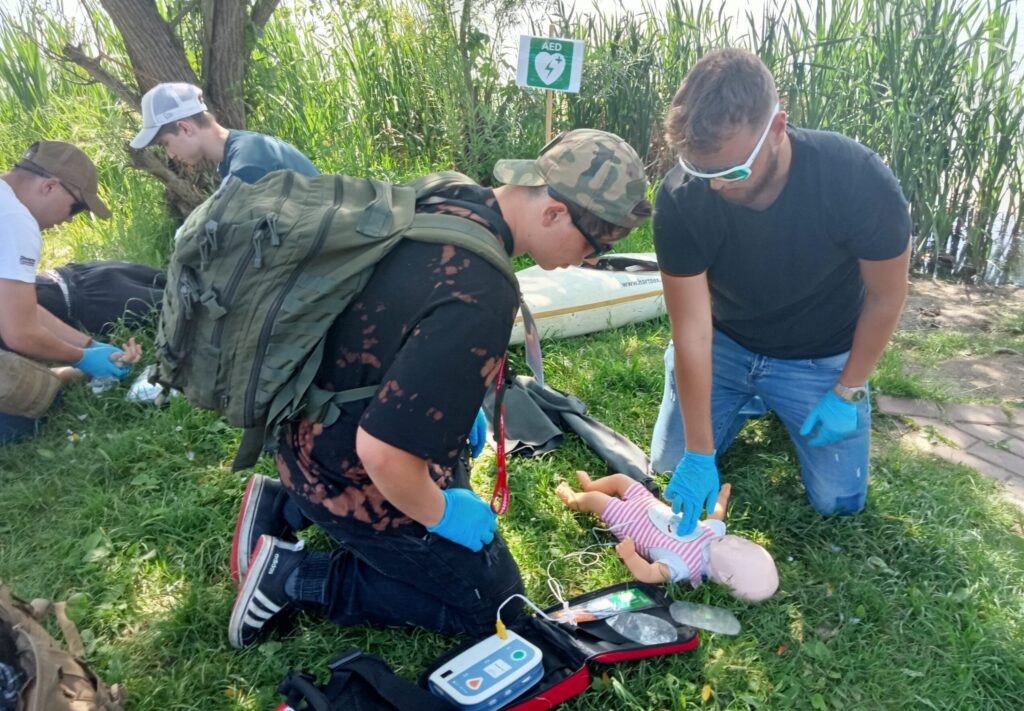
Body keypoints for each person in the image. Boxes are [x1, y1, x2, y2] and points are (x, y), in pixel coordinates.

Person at [226, 129, 653, 649]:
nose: (590, 259)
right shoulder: (480, 293)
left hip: (305, 422)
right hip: (343, 466)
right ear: (554, 212)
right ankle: (292, 578)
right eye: (596, 245)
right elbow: (382, 453)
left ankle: (283, 505)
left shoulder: (450, 193)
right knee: (495, 604)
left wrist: (456, 406)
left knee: (448, 479)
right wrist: (442, 513)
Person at [651, 48, 911, 534]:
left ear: (777, 127)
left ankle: (785, 400)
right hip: (726, 346)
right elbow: (692, 331)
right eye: (703, 172)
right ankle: (749, 399)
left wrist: (848, 389)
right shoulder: (683, 194)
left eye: (731, 172)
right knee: (669, 465)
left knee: (839, 503)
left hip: (820, 355)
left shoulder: (855, 178)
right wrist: (700, 453)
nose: (715, 188)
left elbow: (886, 296)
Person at [0, 141, 140, 443]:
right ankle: (58, 378)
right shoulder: (14, 221)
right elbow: (19, 333)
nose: (69, 219)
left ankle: (57, 375)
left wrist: (89, 345)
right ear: (50, 186)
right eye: (76, 207)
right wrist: (82, 358)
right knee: (25, 415)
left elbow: (17, 309)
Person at [556, 472, 777, 601]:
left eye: (737, 549)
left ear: (724, 575)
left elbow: (649, 574)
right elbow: (715, 515)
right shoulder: (715, 536)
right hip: (649, 504)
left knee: (595, 500)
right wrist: (722, 497)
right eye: (745, 542)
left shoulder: (684, 567)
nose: (735, 540)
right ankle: (590, 485)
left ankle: (574, 499)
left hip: (629, 522)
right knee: (621, 480)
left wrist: (630, 556)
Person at [129, 82, 320, 184]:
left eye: (165, 143)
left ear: (185, 128)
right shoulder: (239, 153)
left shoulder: (247, 164)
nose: (170, 155)